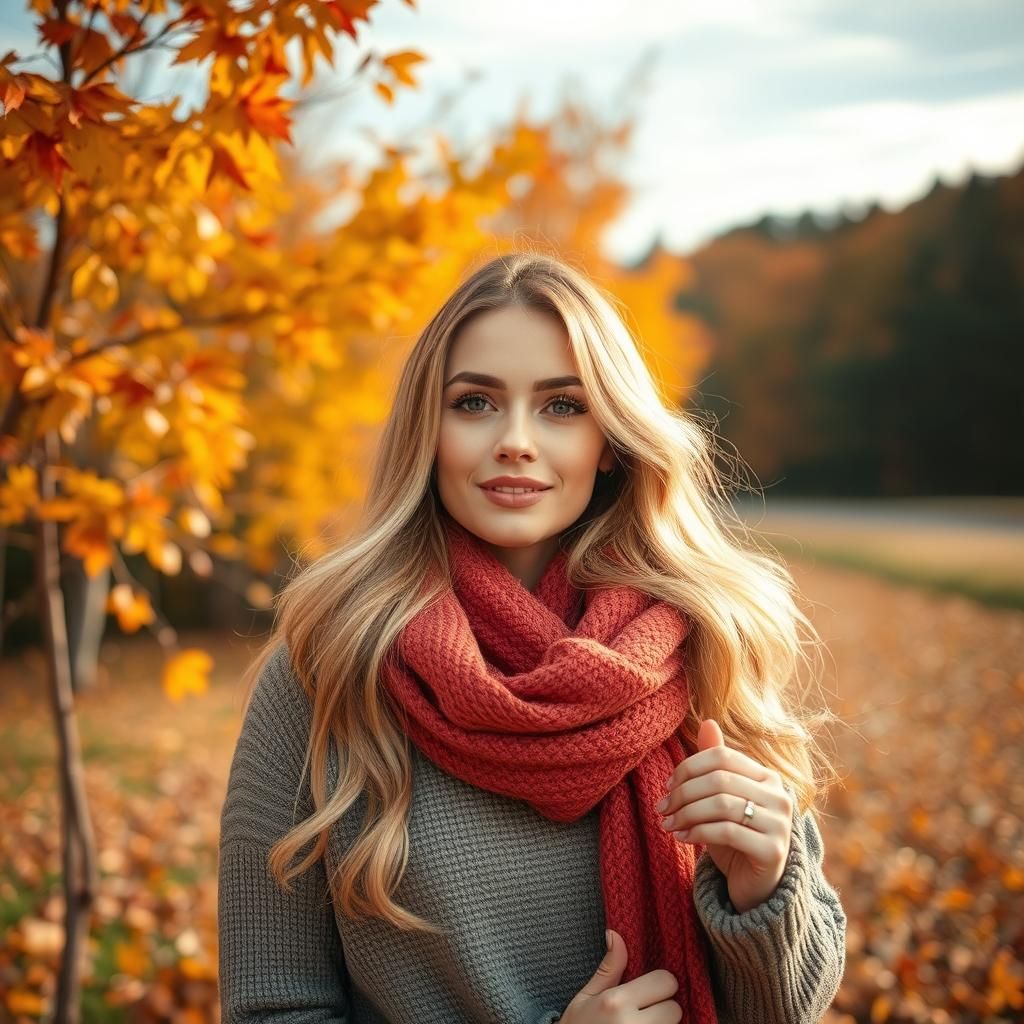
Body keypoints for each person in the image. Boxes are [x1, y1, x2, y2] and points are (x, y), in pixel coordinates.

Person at [217, 250, 848, 1023]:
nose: (516, 440)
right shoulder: (329, 665)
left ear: (610, 439)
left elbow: (791, 1011)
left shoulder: (706, 642)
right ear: (428, 428)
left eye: (562, 406)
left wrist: (763, 887)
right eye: (476, 403)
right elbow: (270, 1011)